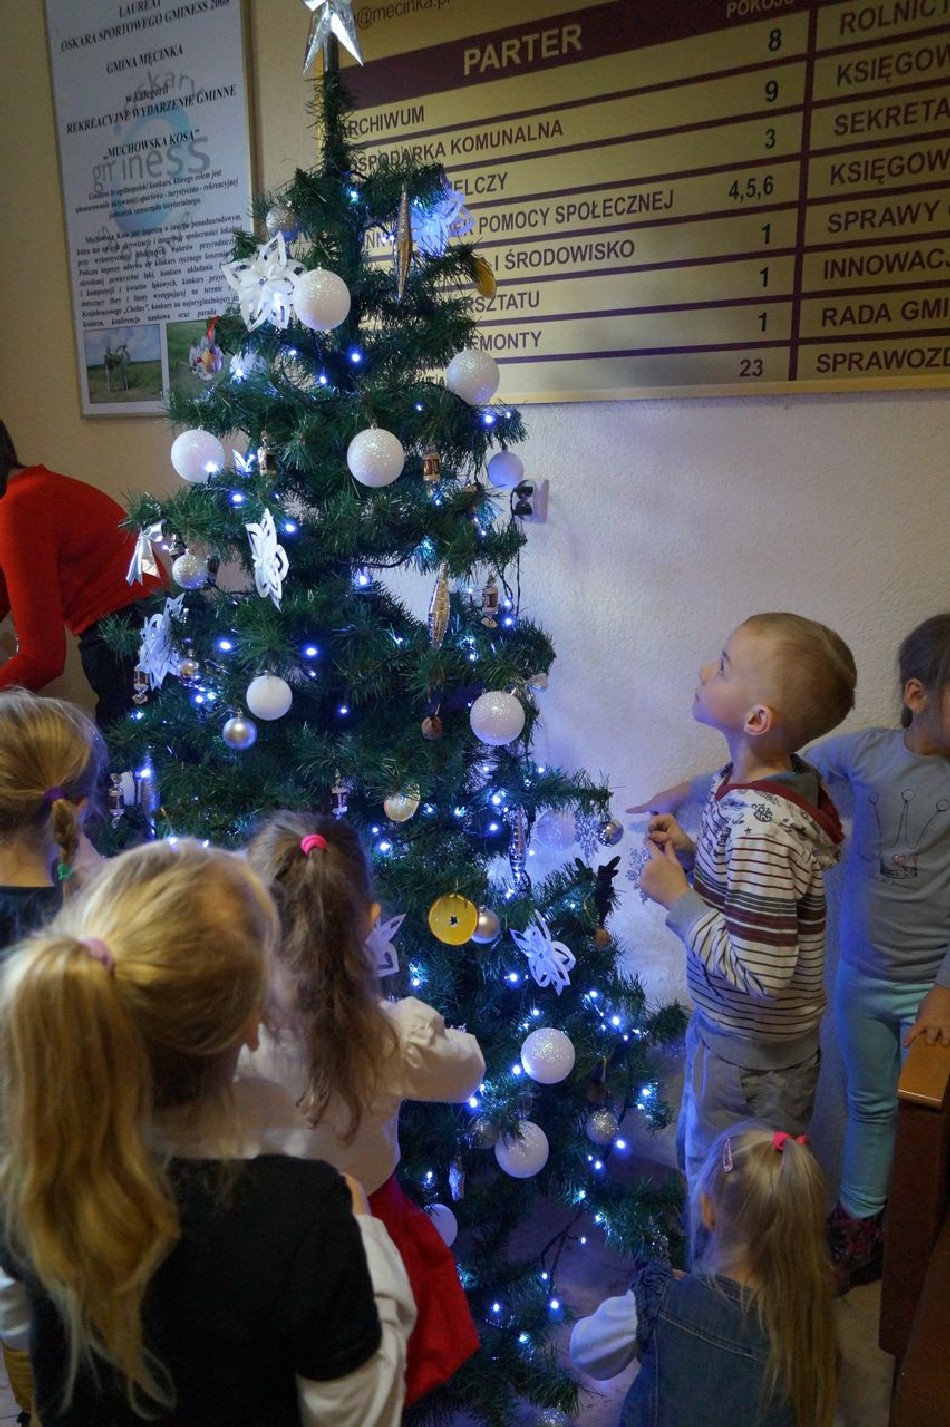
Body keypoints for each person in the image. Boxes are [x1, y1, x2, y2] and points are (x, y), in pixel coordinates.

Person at [0, 839, 416, 1427]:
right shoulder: (303, 1217)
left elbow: (19, 1326)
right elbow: (361, 1416)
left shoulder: (29, 1174)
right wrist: (367, 1237)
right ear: (251, 1024)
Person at [240, 811, 485, 1407]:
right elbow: (468, 1070)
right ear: (371, 924)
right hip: (368, 1231)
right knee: (369, 1376)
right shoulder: (394, 1037)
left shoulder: (226, 1033)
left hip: (257, 1239)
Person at [635, 613, 856, 1189]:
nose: (705, 669)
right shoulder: (752, 789)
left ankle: (719, 1252)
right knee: (715, 1175)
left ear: (757, 719)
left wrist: (678, 899)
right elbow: (749, 901)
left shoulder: (762, 826)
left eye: (725, 666)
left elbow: (761, 971)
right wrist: (691, 858)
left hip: (751, 1065)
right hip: (736, 1044)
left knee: (733, 1197)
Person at [569, 1126, 838, 1427]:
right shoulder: (809, 1336)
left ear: (708, 1210)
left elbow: (585, 1351)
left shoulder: (662, 1299)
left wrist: (651, 1297)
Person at [0, 422, 166, 726]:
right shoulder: (34, 489)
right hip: (151, 627)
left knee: (123, 753)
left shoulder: (19, 506)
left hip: (127, 640)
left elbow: (42, 659)